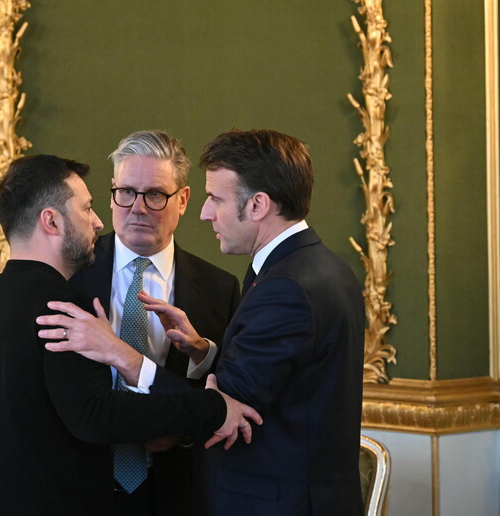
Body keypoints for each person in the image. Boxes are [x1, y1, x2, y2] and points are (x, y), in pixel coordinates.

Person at [43, 130, 365, 515]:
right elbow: (257, 381)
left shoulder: (273, 286)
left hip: (223, 497)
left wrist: (122, 355)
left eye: (216, 199)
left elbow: (224, 411)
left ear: (258, 204)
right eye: (125, 192)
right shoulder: (317, 269)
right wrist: (206, 355)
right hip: (85, 490)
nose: (207, 213)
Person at [0, 154, 261, 515]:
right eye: (86, 209)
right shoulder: (63, 308)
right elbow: (96, 414)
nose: (98, 221)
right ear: (51, 221)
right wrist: (212, 408)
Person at [68, 130, 240, 516]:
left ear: (183, 200)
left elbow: (229, 392)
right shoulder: (70, 278)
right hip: (83, 485)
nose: (138, 207)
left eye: (156, 195)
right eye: (126, 192)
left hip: (179, 491)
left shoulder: (219, 288)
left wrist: (202, 355)